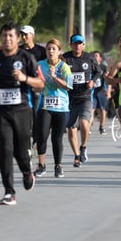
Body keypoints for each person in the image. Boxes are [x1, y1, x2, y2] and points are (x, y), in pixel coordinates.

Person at [0, 22, 44, 205]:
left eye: (11, 36)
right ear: (1, 38)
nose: (7, 39)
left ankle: (27, 171)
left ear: (17, 38)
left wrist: (24, 78)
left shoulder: (26, 58)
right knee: (6, 150)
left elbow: (41, 83)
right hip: (1, 111)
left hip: (22, 110)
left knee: (20, 150)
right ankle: (9, 191)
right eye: (4, 36)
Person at [33, 38, 73, 178]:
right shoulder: (39, 65)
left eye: (53, 49)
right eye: (48, 49)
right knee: (41, 136)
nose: (50, 51)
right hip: (44, 106)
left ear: (59, 51)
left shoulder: (64, 67)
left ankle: (58, 165)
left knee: (57, 138)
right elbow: (35, 82)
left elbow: (68, 87)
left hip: (61, 107)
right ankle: (41, 165)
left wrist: (55, 77)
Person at [63, 34, 101, 168]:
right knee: (71, 128)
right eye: (75, 43)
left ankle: (83, 147)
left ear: (83, 45)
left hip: (85, 96)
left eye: (80, 43)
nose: (77, 45)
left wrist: (92, 81)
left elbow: (98, 71)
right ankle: (77, 156)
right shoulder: (65, 58)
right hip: (69, 98)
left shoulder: (89, 57)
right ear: (70, 45)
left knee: (84, 123)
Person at [19, 25, 47, 152]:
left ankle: (36, 142)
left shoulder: (41, 51)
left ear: (32, 35)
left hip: (37, 88)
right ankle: (25, 144)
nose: (24, 37)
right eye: (22, 34)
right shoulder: (18, 51)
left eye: (26, 34)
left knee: (36, 116)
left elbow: (46, 69)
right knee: (24, 117)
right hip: (21, 89)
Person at [91, 51, 108, 135]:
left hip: (101, 91)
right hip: (92, 92)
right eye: (93, 56)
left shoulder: (103, 67)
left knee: (102, 110)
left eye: (96, 56)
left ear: (100, 58)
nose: (94, 57)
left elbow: (107, 79)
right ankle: (89, 126)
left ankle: (101, 127)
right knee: (91, 109)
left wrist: (108, 91)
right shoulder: (90, 66)